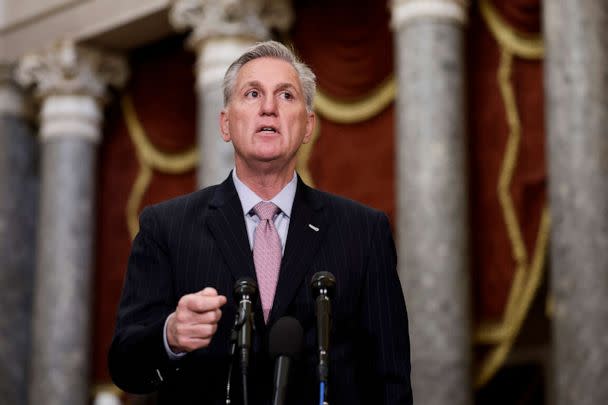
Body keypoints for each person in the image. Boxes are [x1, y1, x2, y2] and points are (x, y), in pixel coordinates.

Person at [109, 40, 412, 405]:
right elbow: (126, 365)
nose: (268, 108)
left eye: (286, 96)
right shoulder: (166, 227)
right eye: (252, 94)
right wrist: (169, 336)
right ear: (225, 123)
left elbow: (391, 381)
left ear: (307, 126)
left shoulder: (364, 232)